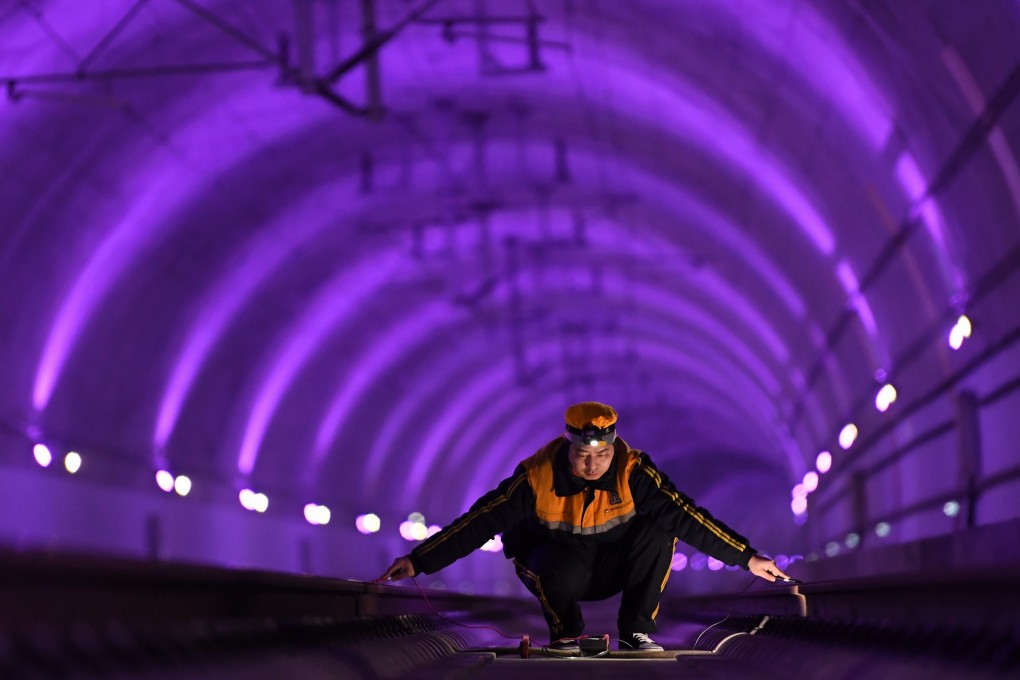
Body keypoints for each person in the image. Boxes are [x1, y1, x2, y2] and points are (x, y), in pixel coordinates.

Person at [379, 401, 792, 652]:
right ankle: (565, 634)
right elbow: (480, 520)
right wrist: (418, 561)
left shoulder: (634, 471)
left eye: (601, 455)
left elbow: (686, 514)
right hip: (556, 567)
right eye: (581, 455)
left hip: (612, 566)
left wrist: (747, 557)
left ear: (613, 447)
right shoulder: (536, 475)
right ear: (567, 446)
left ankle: (636, 633)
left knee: (662, 531)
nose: (591, 465)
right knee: (556, 563)